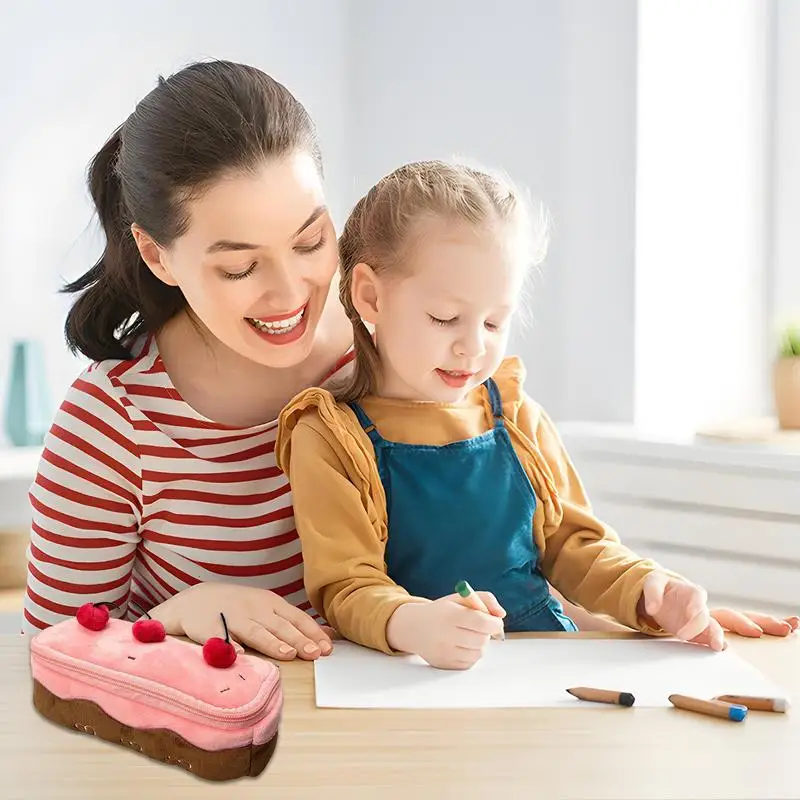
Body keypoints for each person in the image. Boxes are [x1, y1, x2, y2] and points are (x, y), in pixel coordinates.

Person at [23, 59, 797, 661]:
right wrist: (174, 617)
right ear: (158, 256)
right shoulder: (111, 427)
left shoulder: (405, 343)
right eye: (238, 267)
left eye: (308, 240)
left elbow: (519, 544)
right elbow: (47, 656)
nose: (291, 290)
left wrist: (644, 616)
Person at [275, 160, 799, 670]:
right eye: (445, 318)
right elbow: (346, 586)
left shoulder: (516, 415)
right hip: (409, 677)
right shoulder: (328, 435)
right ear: (370, 295)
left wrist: (651, 590)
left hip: (545, 668)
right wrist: (415, 624)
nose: (471, 347)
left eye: (494, 322)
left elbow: (577, 547)